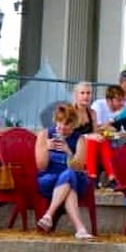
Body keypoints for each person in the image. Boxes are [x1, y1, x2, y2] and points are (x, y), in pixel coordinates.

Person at [34, 102, 94, 238]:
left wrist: (68, 151)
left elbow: (79, 167)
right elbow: (41, 166)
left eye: (66, 124)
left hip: (75, 179)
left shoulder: (79, 139)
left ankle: (49, 214)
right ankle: (80, 229)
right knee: (69, 184)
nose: (61, 127)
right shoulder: (44, 135)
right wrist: (46, 148)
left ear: (73, 125)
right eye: (59, 122)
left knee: (70, 174)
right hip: (49, 178)